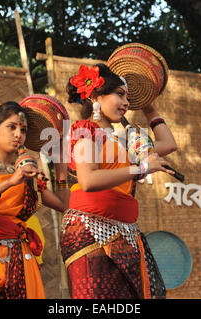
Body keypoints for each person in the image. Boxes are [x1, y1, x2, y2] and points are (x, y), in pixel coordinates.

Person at [60, 64, 178, 299]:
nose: (126, 102)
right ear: (95, 96)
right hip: (89, 230)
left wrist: (149, 106)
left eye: (129, 97)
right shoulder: (85, 132)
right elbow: (87, 180)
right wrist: (142, 167)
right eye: (120, 95)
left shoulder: (123, 139)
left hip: (123, 231)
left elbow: (169, 144)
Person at [0, 101, 68, 299]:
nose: (18, 134)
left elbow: (63, 205)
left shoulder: (27, 175)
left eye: (23, 130)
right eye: (12, 127)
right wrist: (10, 182)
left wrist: (59, 161)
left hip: (19, 260)